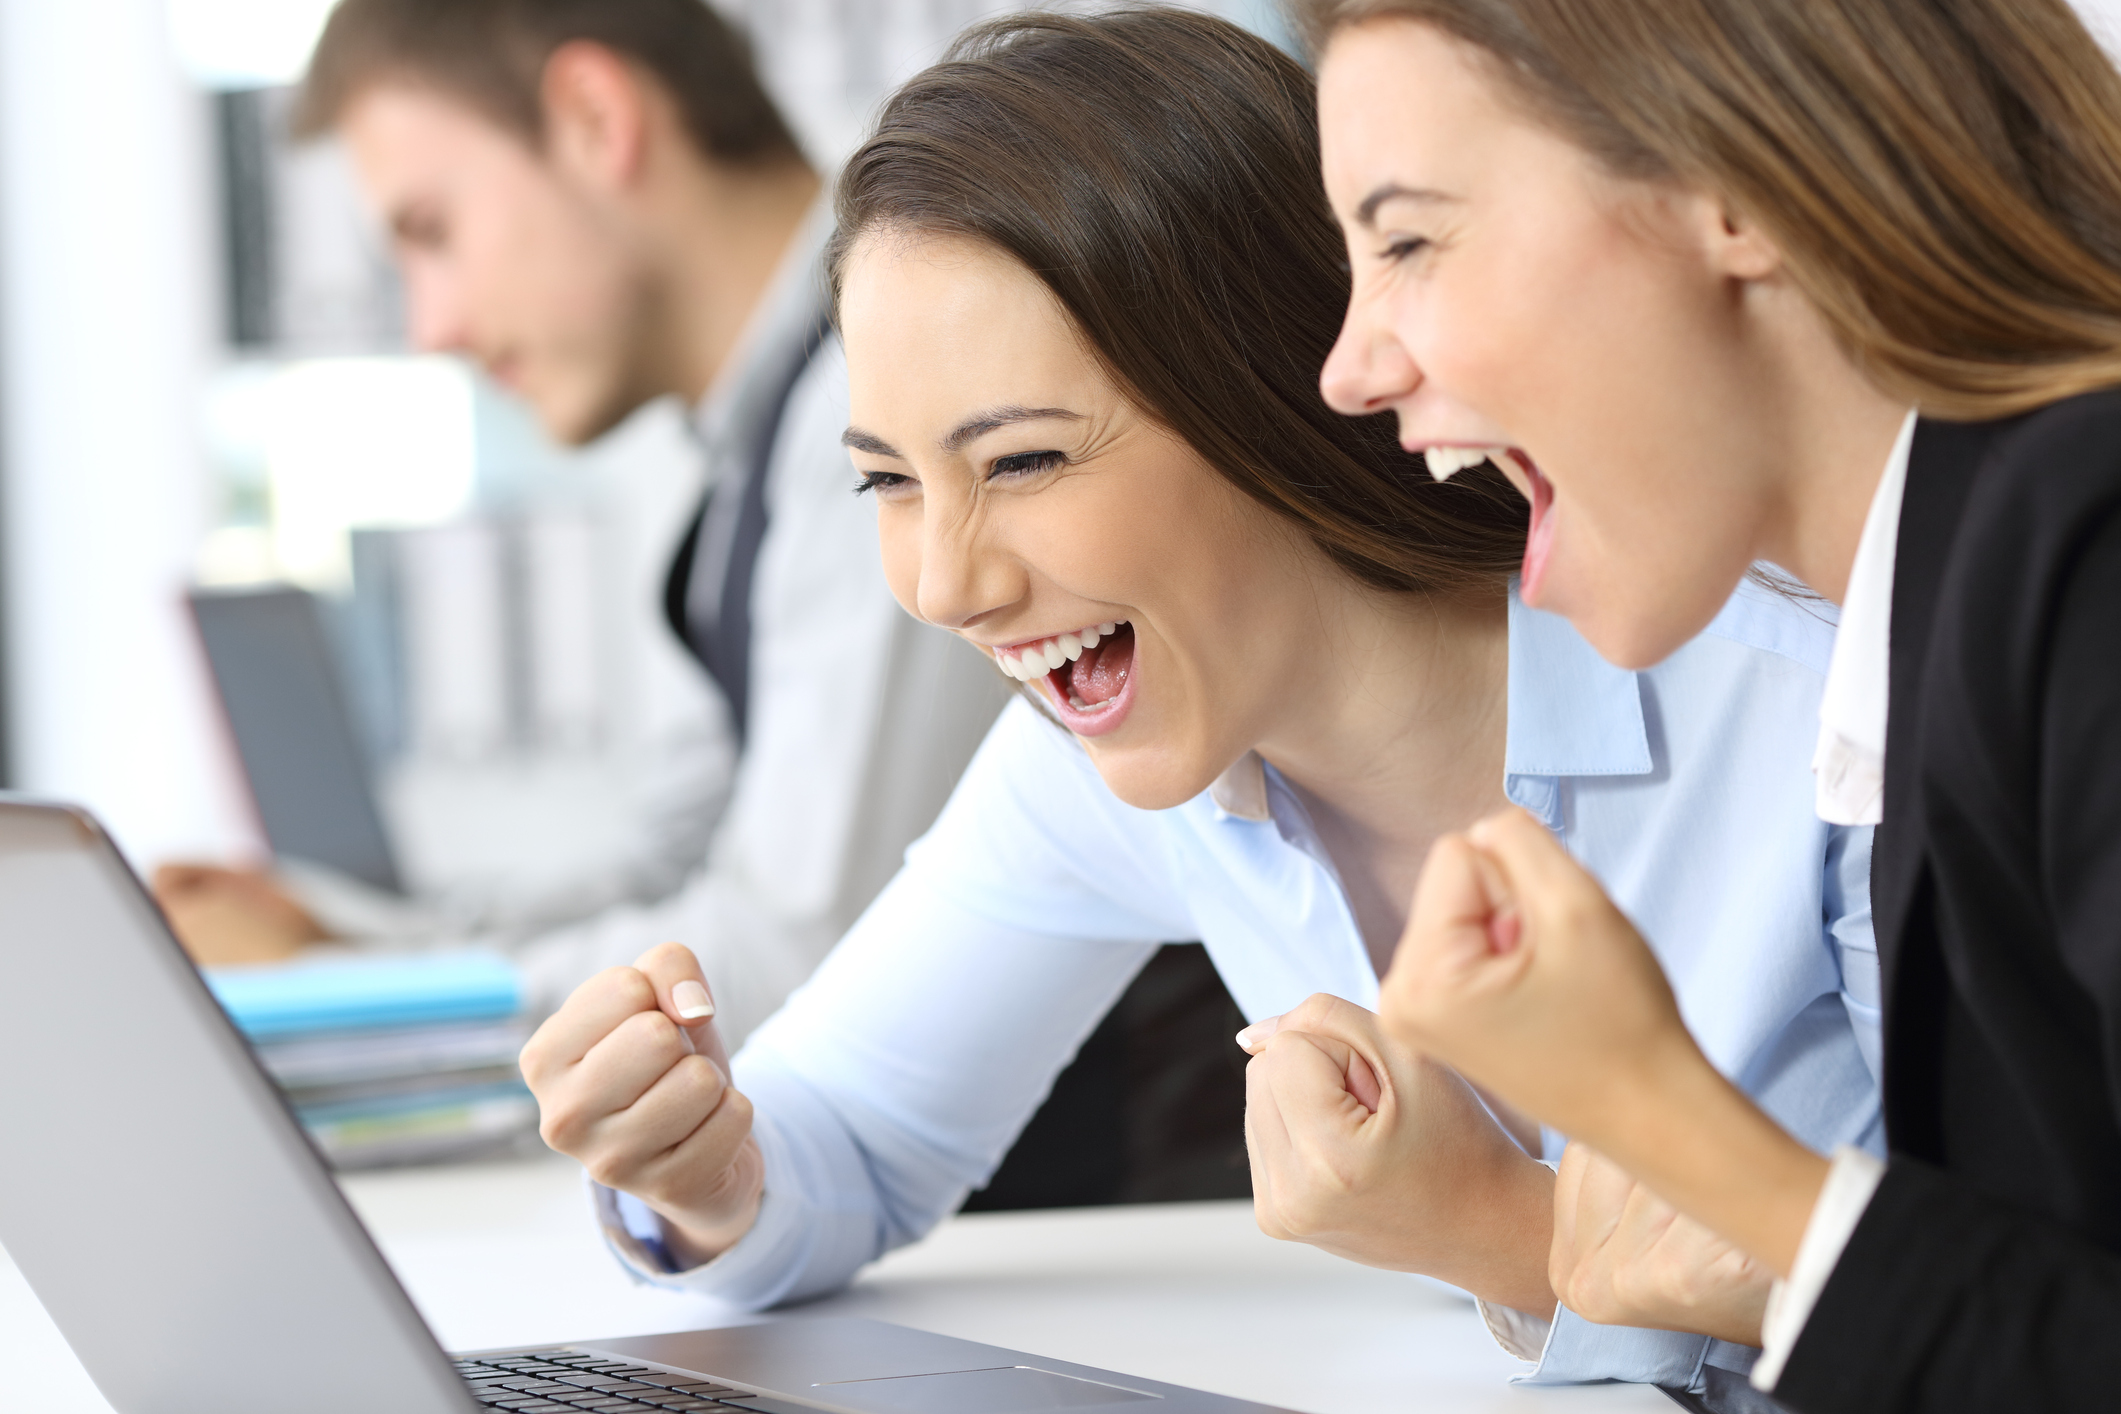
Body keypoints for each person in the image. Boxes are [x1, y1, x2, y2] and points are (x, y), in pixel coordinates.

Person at [518, 12, 1880, 1400]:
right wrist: (697, 1168)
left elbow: (2015, 1309)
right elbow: (851, 1134)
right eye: (889, 480)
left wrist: (1501, 1235)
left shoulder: (1814, 709)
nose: (942, 583)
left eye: (1027, 459)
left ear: (1277, 399)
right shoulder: (1110, 743)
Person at [1300, 0, 2121, 1409]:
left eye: (1413, 242)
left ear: (1732, 191)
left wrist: (1654, 1113)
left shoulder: (2084, 545)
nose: (1352, 366)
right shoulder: (1956, 603)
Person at [152, 0, 1008, 1044]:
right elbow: (666, 881)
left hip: (1082, 1197)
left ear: (598, 119)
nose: (435, 328)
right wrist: (342, 943)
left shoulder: (877, 410)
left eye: (433, 233)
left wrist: (343, 1001)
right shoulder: (769, 436)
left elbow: (791, 954)